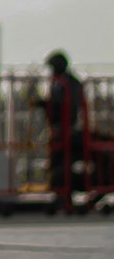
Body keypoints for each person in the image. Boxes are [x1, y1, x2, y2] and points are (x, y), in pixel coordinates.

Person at [39, 50, 84, 201]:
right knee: (57, 161)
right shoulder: (58, 82)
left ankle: (65, 191)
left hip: (68, 128)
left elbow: (69, 106)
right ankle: (60, 191)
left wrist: (53, 107)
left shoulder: (70, 83)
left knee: (64, 160)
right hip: (59, 128)